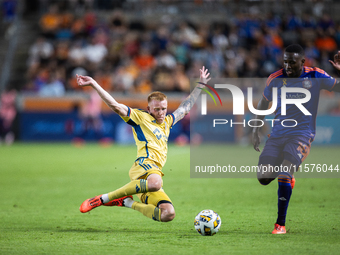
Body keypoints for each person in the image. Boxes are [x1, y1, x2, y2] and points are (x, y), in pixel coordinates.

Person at [76, 66, 210, 222]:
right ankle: (103, 199)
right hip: (143, 166)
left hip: (148, 179)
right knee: (156, 182)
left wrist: (200, 85)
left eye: (164, 109)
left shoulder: (167, 122)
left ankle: (127, 202)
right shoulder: (140, 117)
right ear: (149, 108)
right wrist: (94, 84)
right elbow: (116, 106)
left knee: (168, 214)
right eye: (157, 109)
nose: (161, 113)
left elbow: (185, 107)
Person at [252, 44, 340, 234]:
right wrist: (256, 128)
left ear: (302, 61)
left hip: (302, 134)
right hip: (277, 134)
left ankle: (280, 224)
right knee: (263, 177)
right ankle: (288, 180)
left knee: (284, 173)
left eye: (292, 62)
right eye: (285, 62)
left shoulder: (315, 75)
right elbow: (263, 101)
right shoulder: (275, 78)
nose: (288, 66)